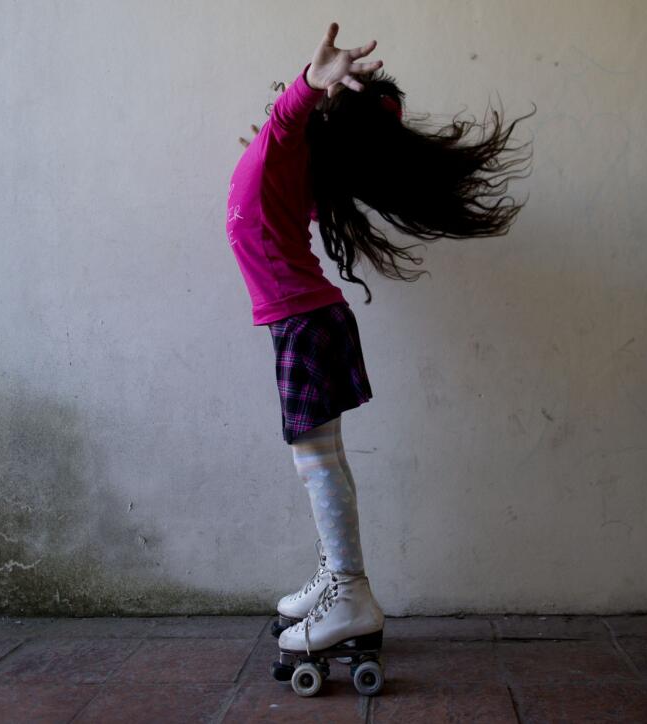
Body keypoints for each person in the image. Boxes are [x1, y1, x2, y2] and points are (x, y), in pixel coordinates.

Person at [225, 21, 534, 670]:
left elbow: (291, 109)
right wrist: (288, 129)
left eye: (308, 97)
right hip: (305, 322)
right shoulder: (288, 158)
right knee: (320, 460)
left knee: (316, 464)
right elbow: (289, 147)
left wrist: (315, 82)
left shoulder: (287, 136)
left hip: (307, 324)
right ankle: (336, 579)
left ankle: (349, 591)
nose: (289, 93)